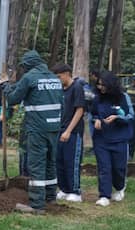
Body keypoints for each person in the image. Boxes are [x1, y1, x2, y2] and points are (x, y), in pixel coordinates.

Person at [3, 50, 63, 214]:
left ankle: (37, 205)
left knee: (36, 164)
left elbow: (13, 99)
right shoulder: (54, 79)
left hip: (37, 128)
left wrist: (6, 88)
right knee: (51, 162)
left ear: (28, 65)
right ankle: (50, 197)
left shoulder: (29, 77)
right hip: (54, 126)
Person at [91, 70, 134, 207]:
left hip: (119, 138)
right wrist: (96, 120)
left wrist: (117, 117)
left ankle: (120, 187)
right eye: (98, 85)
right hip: (101, 139)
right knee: (104, 168)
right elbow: (93, 114)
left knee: (118, 168)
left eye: (103, 85)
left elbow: (130, 116)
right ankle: (104, 195)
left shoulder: (123, 97)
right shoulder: (97, 98)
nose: (100, 88)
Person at [52, 64, 86, 202]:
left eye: (59, 77)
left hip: (72, 132)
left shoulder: (77, 87)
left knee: (71, 161)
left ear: (67, 74)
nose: (58, 80)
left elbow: (80, 110)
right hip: (59, 130)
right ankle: (64, 188)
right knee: (59, 161)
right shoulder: (60, 89)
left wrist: (68, 130)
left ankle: (75, 191)